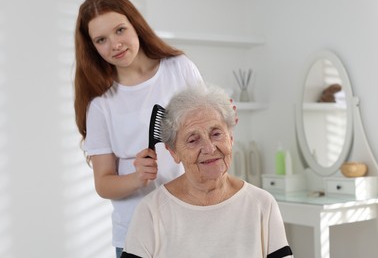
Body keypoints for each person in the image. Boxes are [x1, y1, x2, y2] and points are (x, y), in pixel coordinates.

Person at [73, 0, 205, 257]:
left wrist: (219, 121)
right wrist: (138, 177)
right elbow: (103, 184)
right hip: (134, 234)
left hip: (189, 222)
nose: (115, 45)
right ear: (92, 47)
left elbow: (206, 135)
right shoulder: (100, 103)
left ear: (135, 24)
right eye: (101, 40)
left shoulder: (179, 69)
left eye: (119, 30)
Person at [121, 85, 293, 258]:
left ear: (231, 138)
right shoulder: (151, 211)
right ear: (173, 152)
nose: (209, 148)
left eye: (216, 134)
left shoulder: (262, 204)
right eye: (193, 140)